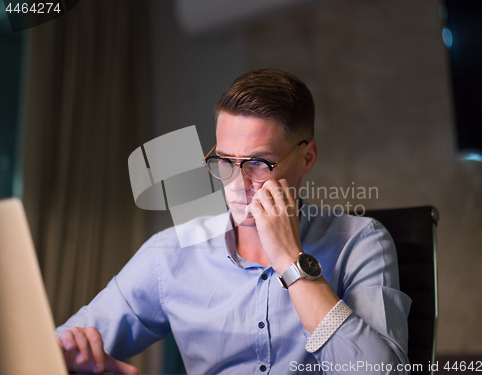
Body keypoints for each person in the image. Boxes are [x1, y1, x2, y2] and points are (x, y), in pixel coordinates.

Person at [57, 68, 411, 374]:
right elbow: (66, 345)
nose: (238, 184)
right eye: (225, 161)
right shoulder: (171, 253)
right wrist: (73, 356)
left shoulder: (361, 241)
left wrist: (291, 261)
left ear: (307, 157)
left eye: (259, 163)